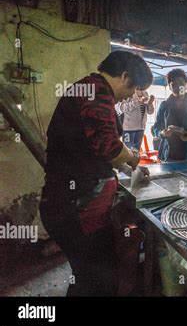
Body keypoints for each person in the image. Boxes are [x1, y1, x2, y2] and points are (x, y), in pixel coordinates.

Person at [40, 51, 153, 296]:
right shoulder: (96, 92)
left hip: (69, 203)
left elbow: (95, 148)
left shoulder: (89, 89)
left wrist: (122, 166)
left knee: (87, 277)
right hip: (76, 208)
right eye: (135, 89)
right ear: (125, 76)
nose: (133, 95)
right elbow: (109, 147)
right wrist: (132, 159)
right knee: (98, 281)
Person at [152, 69, 187, 161]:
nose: (178, 86)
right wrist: (162, 133)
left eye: (181, 83)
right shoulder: (164, 105)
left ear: (186, 84)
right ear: (169, 86)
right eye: (174, 84)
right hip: (169, 154)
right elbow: (156, 127)